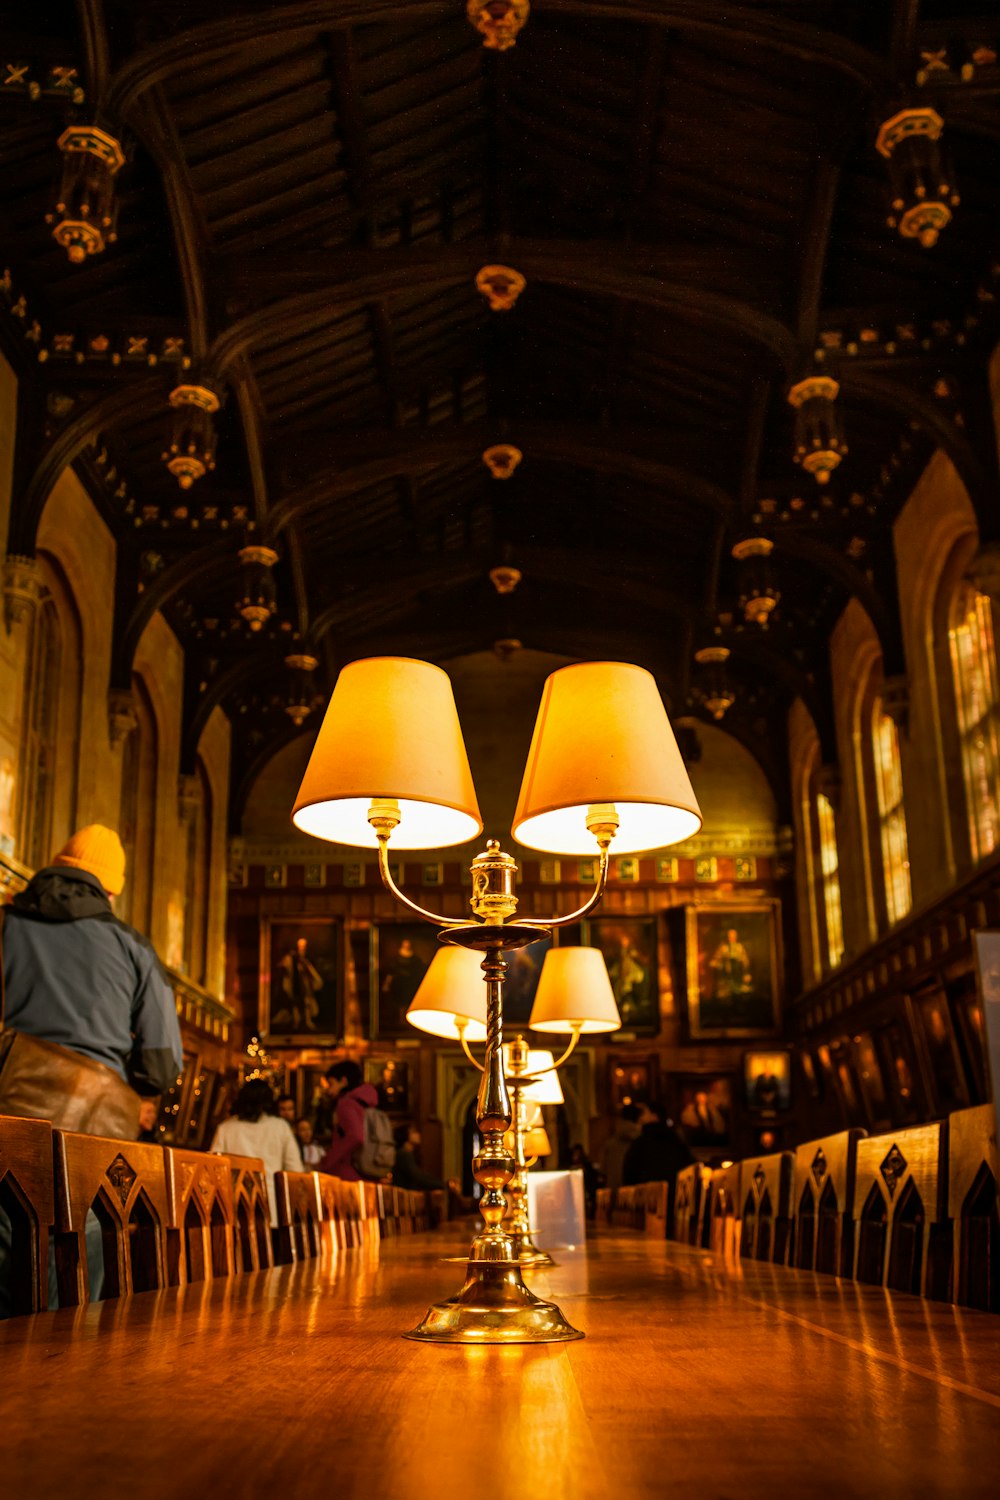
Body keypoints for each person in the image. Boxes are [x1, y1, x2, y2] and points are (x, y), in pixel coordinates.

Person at [0, 824, 183, 1316]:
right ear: (110, 890)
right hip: (91, 1147)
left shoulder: (5, 921)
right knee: (76, 1292)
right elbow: (163, 1065)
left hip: (7, 1128)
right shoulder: (135, 948)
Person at [210, 1080, 302, 1225]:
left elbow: (214, 1171)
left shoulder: (226, 1128)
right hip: (272, 1208)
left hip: (236, 1210)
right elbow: (295, 1172)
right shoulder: (280, 1127)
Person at [317, 1060, 379, 1180]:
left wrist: (328, 1161)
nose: (329, 1090)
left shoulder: (346, 1104)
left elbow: (355, 1136)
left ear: (344, 1081)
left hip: (348, 1171)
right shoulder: (365, 1102)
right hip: (366, 1168)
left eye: (331, 1084)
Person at [622, 1102, 694, 1188]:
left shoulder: (641, 1142)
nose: (641, 1117)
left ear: (654, 1116)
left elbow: (630, 1171)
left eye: (645, 1113)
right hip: (672, 1191)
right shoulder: (675, 1140)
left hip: (647, 1193)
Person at [273, 937, 322, 1031]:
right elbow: (283, 966)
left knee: (307, 1002)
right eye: (300, 946)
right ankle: (296, 1022)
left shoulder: (307, 957)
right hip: (296, 984)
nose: (302, 948)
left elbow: (310, 970)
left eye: (304, 946)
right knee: (295, 1003)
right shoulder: (291, 957)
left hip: (305, 984)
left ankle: (307, 1021)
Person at [600, 1104, 642, 1193]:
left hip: (613, 1192)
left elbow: (603, 1170)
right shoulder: (641, 1141)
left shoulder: (610, 1144)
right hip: (635, 1193)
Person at [708, 927, 752, 1000]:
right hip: (726, 974)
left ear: (736, 936)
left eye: (733, 936)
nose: (731, 938)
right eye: (729, 936)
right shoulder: (723, 947)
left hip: (738, 973)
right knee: (726, 991)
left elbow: (745, 960)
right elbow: (716, 958)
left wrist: (746, 973)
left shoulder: (740, 947)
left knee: (738, 992)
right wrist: (715, 963)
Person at [569, 1143, 600, 1218]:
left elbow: (592, 1181)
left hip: (587, 1194)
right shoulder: (571, 1167)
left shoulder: (588, 1167)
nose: (576, 1156)